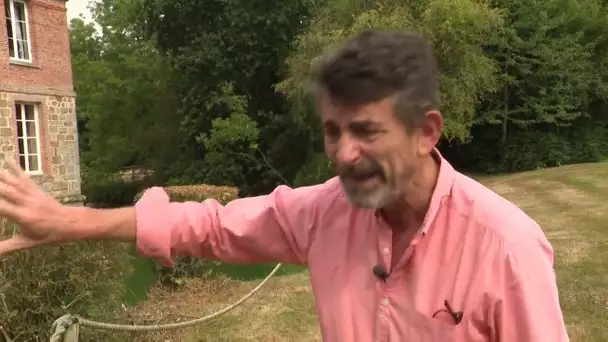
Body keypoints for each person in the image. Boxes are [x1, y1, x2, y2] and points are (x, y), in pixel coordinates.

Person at [0, 29, 569, 341]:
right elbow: (209, 225)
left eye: (366, 131)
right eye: (332, 131)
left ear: (426, 132)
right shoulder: (325, 213)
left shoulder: (506, 247)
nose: (344, 154)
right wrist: (68, 222)